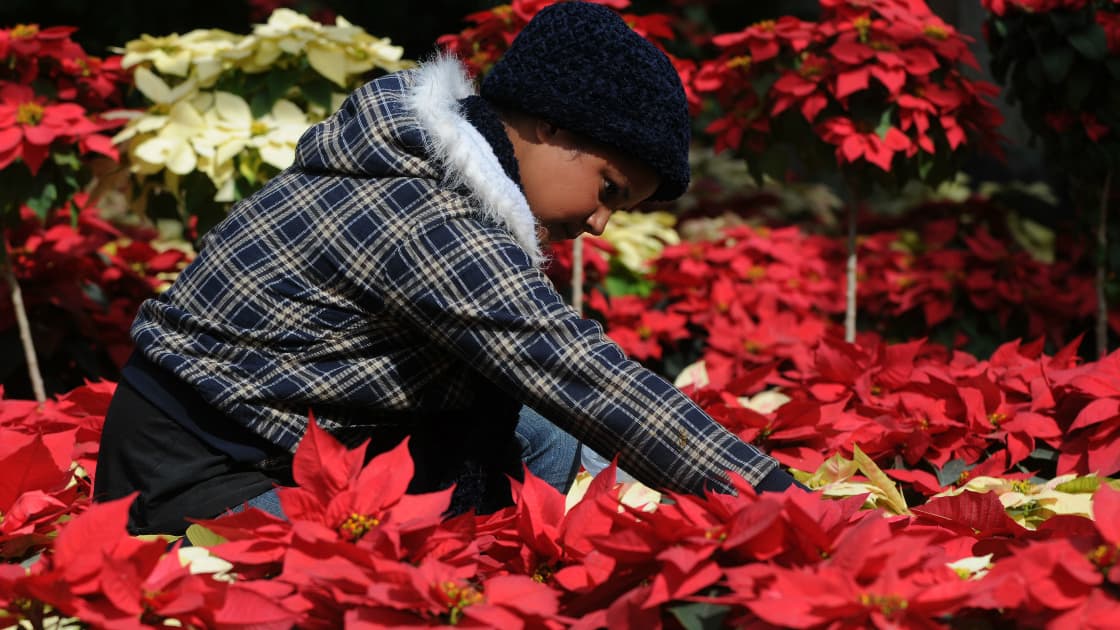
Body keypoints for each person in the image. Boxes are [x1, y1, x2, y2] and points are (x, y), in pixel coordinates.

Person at [93, 1, 801, 536]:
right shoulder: (422, 212)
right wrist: (781, 501)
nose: (598, 224)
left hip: (241, 445)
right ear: (551, 126)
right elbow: (575, 369)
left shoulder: (425, 174)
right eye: (609, 190)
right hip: (192, 482)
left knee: (537, 432)